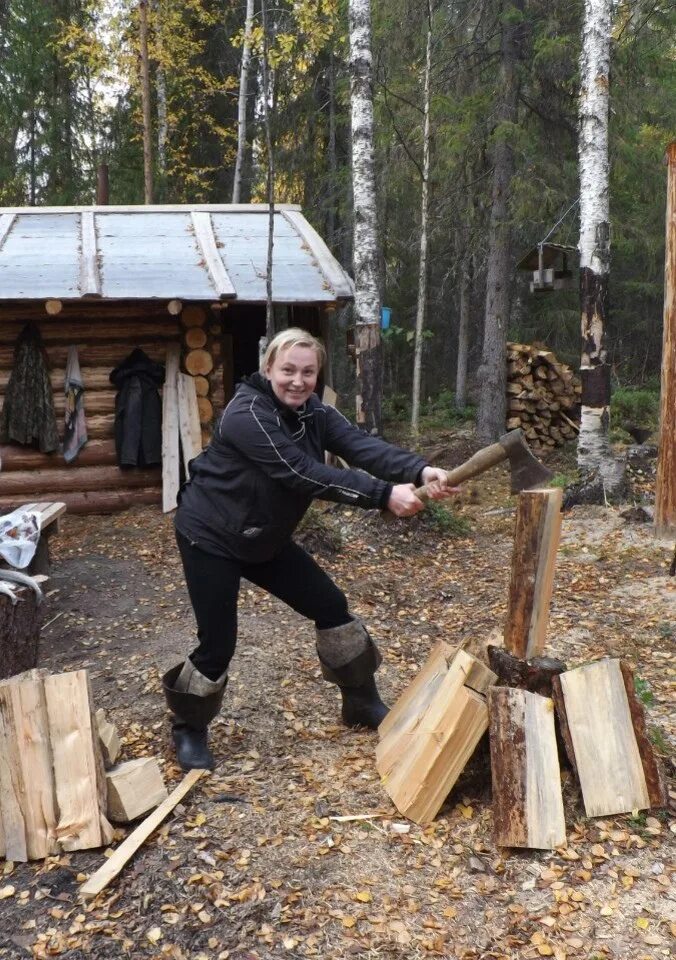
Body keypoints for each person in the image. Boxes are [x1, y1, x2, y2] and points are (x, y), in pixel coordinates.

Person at [164, 328, 451, 771]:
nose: (298, 381)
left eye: (308, 372)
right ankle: (188, 728)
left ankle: (359, 701)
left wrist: (420, 468)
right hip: (212, 536)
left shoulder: (313, 412)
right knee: (218, 641)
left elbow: (359, 446)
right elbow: (302, 473)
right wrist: (383, 495)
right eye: (288, 371)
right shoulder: (246, 414)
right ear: (268, 370)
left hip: (266, 537)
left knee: (333, 608)